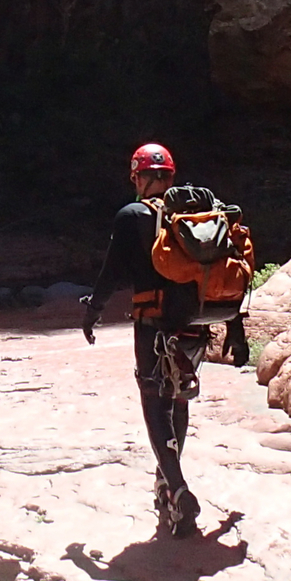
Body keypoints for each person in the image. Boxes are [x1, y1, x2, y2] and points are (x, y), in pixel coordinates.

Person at [80, 139, 210, 539]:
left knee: (155, 404)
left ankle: (178, 487)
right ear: (170, 175)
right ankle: (166, 481)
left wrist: (93, 310)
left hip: (153, 324)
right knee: (180, 398)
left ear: (137, 176)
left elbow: (111, 273)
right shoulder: (199, 214)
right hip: (195, 324)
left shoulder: (132, 215)